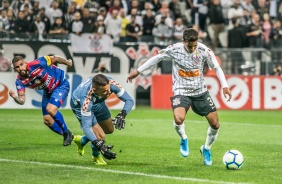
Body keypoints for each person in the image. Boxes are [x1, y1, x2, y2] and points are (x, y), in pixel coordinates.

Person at [126, 28, 232, 166]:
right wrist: (138, 71)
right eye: (189, 46)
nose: (192, 48)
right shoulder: (174, 49)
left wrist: (224, 85)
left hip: (200, 91)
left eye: (195, 45)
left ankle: (206, 149)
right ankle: (183, 138)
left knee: (215, 124)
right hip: (181, 90)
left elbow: (217, 67)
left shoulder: (204, 50)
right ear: (183, 41)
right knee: (178, 118)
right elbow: (157, 57)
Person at [8, 55, 74, 146]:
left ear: (25, 62)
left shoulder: (38, 63)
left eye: (21, 64)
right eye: (17, 67)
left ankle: (67, 132)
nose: (20, 68)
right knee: (47, 120)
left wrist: (68, 62)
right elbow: (22, 100)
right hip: (48, 91)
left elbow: (54, 58)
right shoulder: (20, 81)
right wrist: (15, 97)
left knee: (50, 109)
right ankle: (68, 135)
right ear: (15, 69)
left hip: (60, 85)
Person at [71, 74, 134, 165]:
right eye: (105, 91)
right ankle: (96, 156)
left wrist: (122, 114)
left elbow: (129, 100)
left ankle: (82, 140)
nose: (108, 93)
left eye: (109, 89)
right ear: (95, 90)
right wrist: (98, 144)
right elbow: (86, 127)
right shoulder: (86, 101)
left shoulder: (111, 84)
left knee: (109, 129)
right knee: (100, 137)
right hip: (78, 104)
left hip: (98, 102)